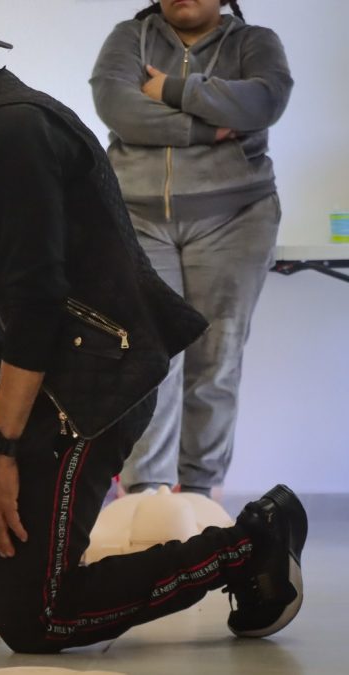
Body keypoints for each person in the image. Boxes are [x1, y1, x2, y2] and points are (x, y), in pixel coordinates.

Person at [0, 0, 307, 651]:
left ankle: (248, 545)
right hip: (33, 365)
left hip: (98, 380)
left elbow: (36, 301)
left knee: (40, 620)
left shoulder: (13, 128)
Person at [91, 0, 292, 497]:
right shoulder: (128, 37)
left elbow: (263, 102)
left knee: (215, 359)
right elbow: (117, 107)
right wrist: (206, 126)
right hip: (137, 218)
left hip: (235, 218)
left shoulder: (254, 41)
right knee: (148, 360)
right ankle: (147, 492)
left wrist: (169, 89)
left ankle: (202, 492)